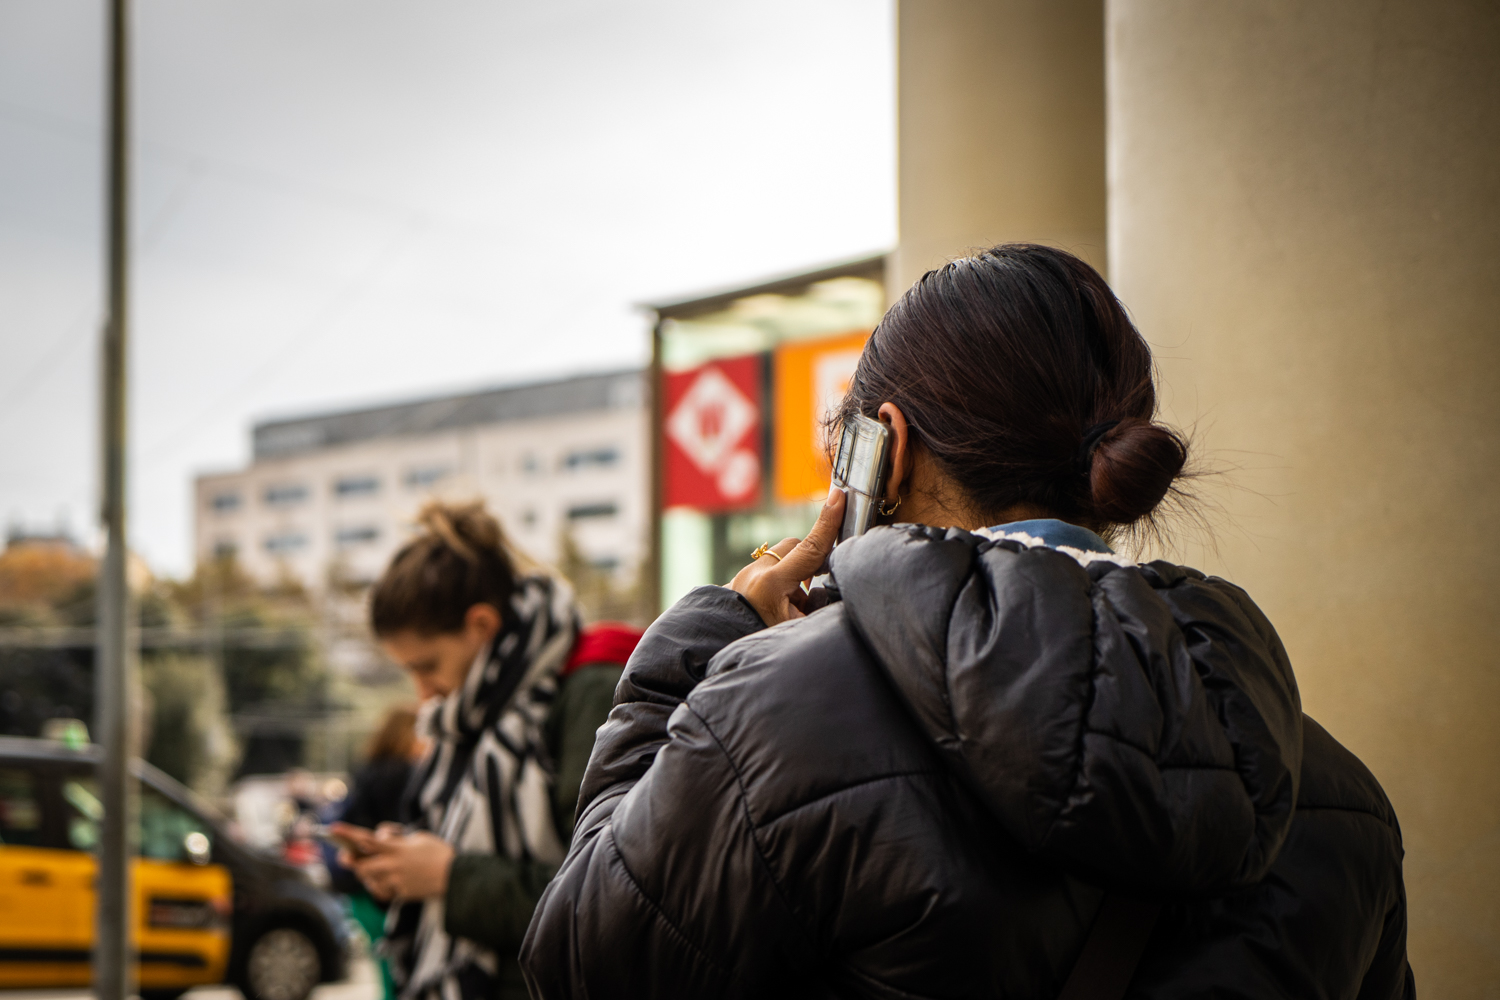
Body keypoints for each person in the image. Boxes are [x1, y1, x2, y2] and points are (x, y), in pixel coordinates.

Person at [521, 245, 1414, 999]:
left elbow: (581, 962)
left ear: (890, 450)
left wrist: (704, 640)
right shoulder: (1338, 797)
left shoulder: (777, 712)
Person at [331, 501, 639, 1000]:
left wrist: (448, 878)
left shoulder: (591, 692)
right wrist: (404, 866)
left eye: (427, 666)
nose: (422, 694)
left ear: (481, 625)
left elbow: (613, 900)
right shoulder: (471, 717)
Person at [331, 706, 424, 1000]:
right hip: (388, 889)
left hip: (359, 889)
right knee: (403, 977)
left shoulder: (365, 772)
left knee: (386, 975)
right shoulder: (404, 774)